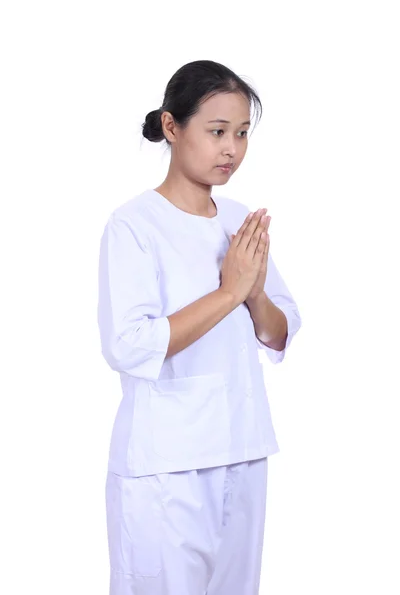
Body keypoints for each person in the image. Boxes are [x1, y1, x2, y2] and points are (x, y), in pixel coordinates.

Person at [97, 59, 302, 595]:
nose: (230, 149)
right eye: (216, 132)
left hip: (244, 448)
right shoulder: (134, 226)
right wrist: (229, 291)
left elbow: (278, 333)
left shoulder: (239, 220)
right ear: (172, 127)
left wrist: (253, 292)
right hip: (167, 464)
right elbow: (128, 343)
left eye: (241, 134)